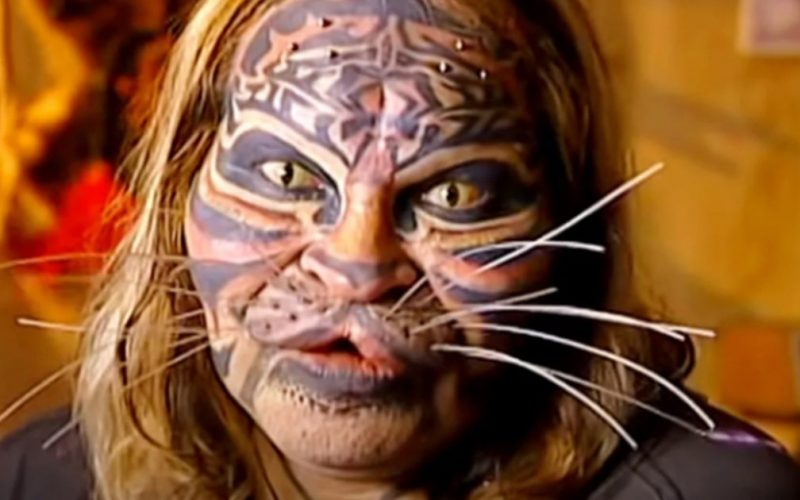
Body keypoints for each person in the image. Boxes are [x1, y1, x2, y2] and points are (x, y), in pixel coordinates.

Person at [2, 0, 800, 498]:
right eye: (286, 175)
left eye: (455, 195)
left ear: (572, 233)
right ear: (179, 196)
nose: (358, 267)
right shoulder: (41, 479)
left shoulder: (708, 491)